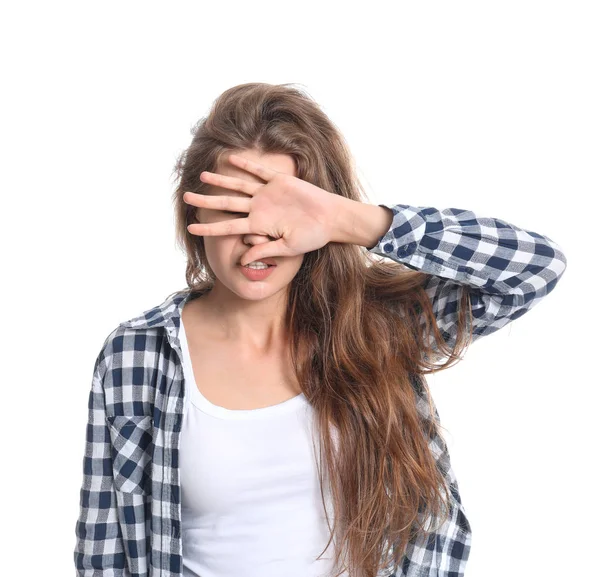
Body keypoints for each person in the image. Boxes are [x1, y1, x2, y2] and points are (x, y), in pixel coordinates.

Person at [73, 82, 568, 577]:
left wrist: (357, 221)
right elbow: (104, 548)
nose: (255, 234)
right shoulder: (137, 353)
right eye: (233, 208)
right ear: (194, 210)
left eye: (279, 211)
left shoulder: (378, 324)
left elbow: (533, 268)